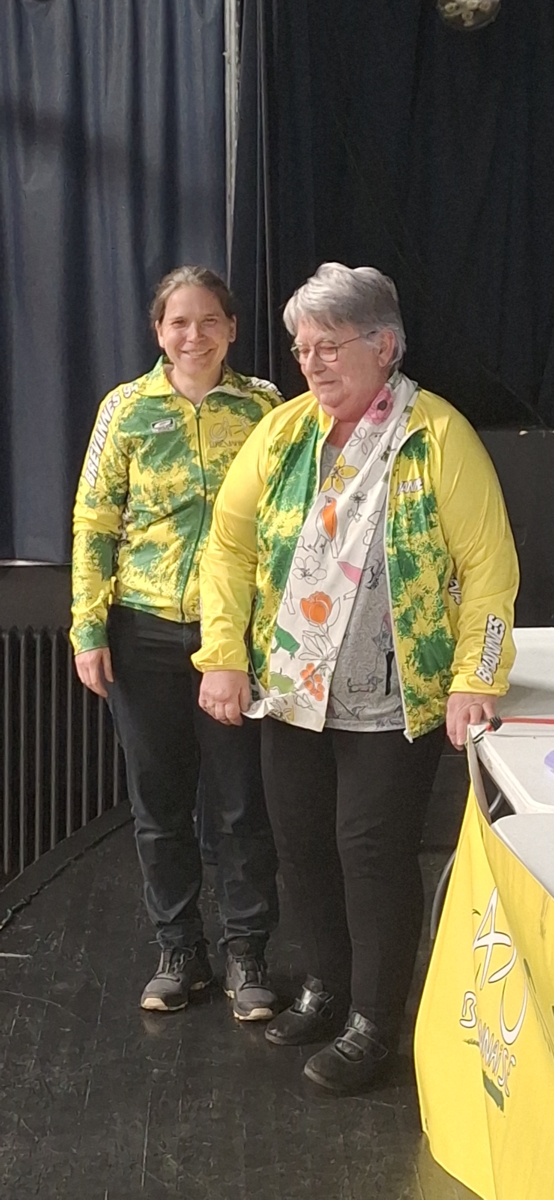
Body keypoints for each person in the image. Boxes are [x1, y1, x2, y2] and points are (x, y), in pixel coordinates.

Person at [192, 262, 519, 1092]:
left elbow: (488, 569)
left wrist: (476, 677)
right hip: (291, 691)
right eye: (303, 348)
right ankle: (325, 989)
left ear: (385, 346)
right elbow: (228, 545)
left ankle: (375, 1021)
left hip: (392, 696)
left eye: (330, 346)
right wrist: (223, 653)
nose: (312, 363)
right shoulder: (284, 432)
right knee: (302, 848)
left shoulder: (438, 435)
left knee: (369, 853)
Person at [71, 265, 283, 1019]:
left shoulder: (265, 408)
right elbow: (95, 520)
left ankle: (247, 953)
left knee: (240, 804)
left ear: (232, 328)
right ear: (159, 332)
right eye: (179, 323)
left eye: (209, 321)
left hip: (237, 637)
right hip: (144, 630)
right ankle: (179, 950)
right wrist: (88, 627)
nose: (195, 336)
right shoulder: (125, 409)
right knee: (158, 804)